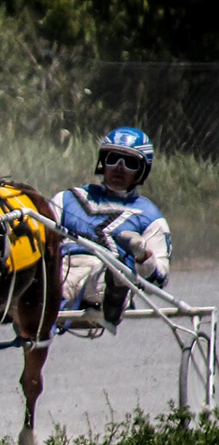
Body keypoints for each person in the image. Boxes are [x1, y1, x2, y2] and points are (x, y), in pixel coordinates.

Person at [53, 128, 171, 329]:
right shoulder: (66, 199)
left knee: (115, 272)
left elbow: (159, 279)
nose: (119, 168)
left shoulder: (149, 216)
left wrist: (142, 255)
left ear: (141, 170)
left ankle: (115, 294)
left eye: (129, 163)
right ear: (103, 161)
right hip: (62, 268)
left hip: (106, 276)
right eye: (113, 159)